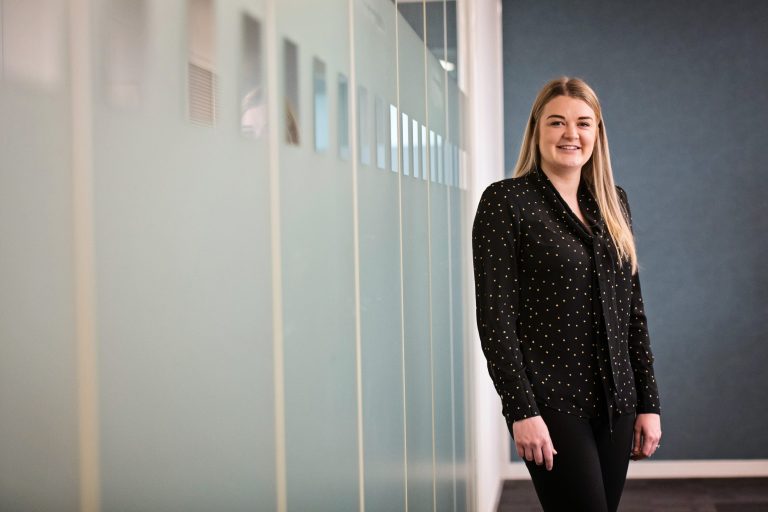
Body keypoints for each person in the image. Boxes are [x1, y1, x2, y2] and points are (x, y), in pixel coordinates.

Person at [472, 77, 662, 512]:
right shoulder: (506, 202)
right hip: (551, 402)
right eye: (557, 122)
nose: (571, 134)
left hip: (617, 401)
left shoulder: (614, 202)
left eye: (583, 123)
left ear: (598, 133)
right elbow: (496, 320)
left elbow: (632, 313)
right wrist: (521, 410)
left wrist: (648, 403)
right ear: (536, 130)